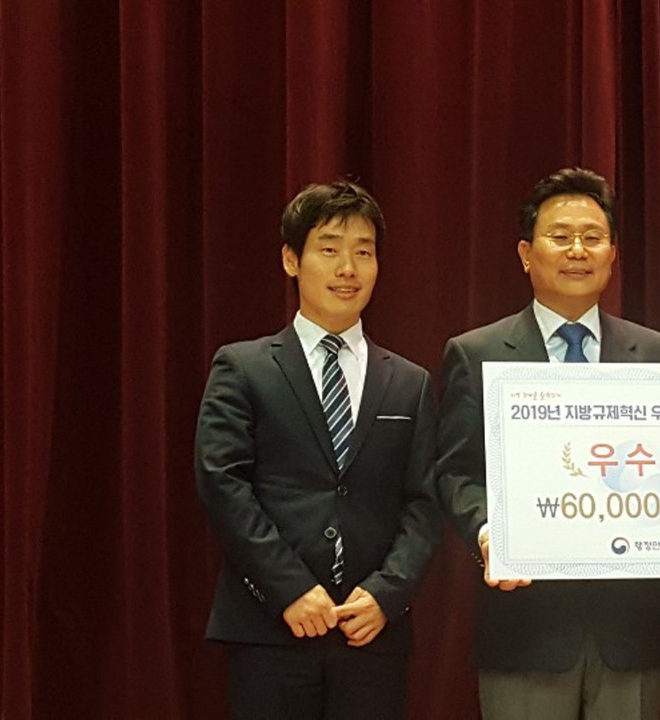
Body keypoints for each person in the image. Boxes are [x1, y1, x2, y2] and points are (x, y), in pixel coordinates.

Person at [436, 168, 660, 719]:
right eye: (560, 236)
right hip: (525, 629)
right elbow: (455, 473)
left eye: (592, 237)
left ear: (613, 253)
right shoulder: (477, 354)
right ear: (526, 254)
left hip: (629, 632)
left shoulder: (659, 355)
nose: (577, 250)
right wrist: (489, 533)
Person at [194, 181, 441, 719]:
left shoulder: (410, 382)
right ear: (291, 259)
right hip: (270, 627)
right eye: (329, 249)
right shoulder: (243, 366)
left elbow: (425, 501)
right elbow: (222, 482)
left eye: (363, 252)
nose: (347, 268)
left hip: (371, 632)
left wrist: (387, 594)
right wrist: (288, 588)